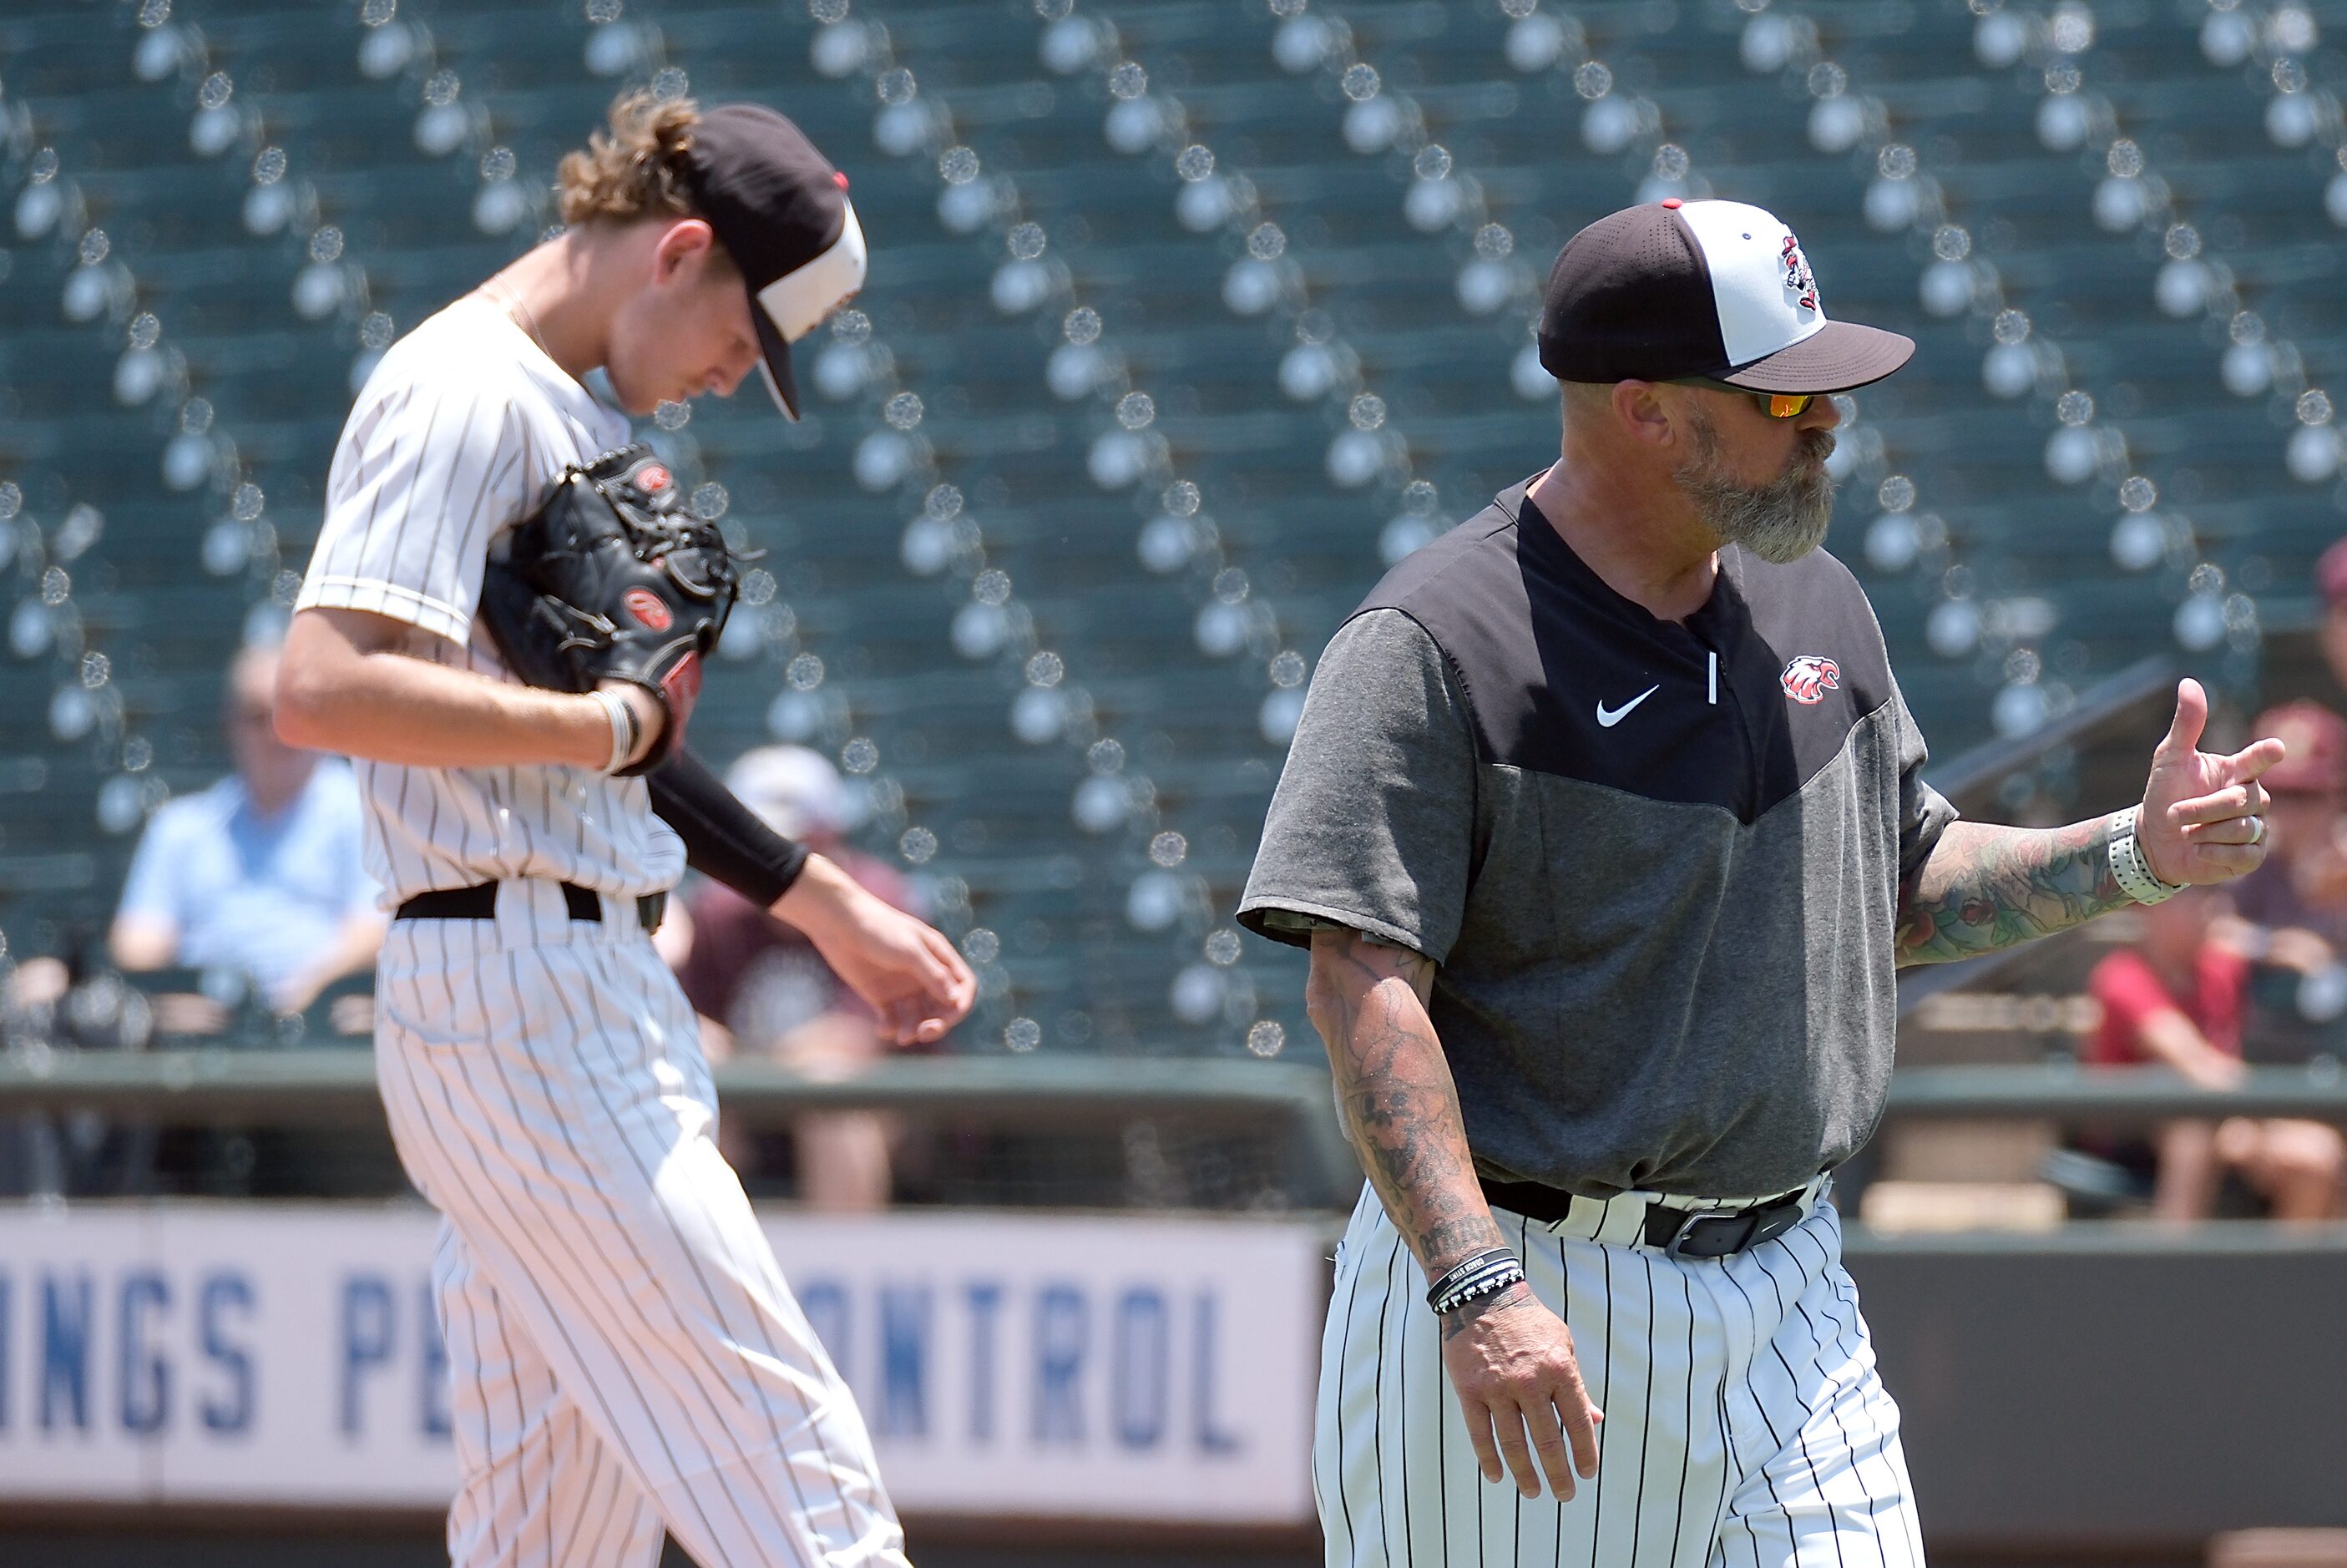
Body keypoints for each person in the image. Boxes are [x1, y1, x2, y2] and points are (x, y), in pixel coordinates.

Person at [1240, 198, 2280, 1564]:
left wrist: (2137, 855)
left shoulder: (1819, 608)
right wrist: (1471, 1280)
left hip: (1790, 1284)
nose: (1826, 423)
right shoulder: (1437, 641)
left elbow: (1897, 884)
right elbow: (1361, 984)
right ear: (1644, 411)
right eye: (1786, 396)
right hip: (1529, 1279)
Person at [274, 93, 974, 1568]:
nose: (737, 375)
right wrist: (597, 725)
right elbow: (324, 684)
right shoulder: (465, 386)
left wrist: (817, 904)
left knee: (550, 1531)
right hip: (521, 989)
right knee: (801, 1481)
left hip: (557, 978)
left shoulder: (563, 405)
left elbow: (629, 755)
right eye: (744, 336)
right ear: (682, 250)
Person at [663, 745, 921, 1211]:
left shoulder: (873, 904)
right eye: (759, 844)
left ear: (832, 837)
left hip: (897, 1115)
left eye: (794, 843)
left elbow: (856, 1038)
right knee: (694, 1075)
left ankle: (844, 1273)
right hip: (763, 1109)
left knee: (829, 1086)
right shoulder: (719, 912)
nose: (774, 862)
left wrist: (752, 1064)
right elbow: (692, 1022)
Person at [110, 643, 383, 1020]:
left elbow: (373, 931)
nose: (278, 733)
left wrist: (301, 992)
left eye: (292, 713)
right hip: (203, 1033)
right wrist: (174, 997)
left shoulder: (363, 810)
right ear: (230, 726)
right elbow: (137, 945)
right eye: (258, 717)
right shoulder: (182, 827)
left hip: (321, 1024)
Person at [2087, 886, 2344, 1220]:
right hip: (2132, 1133)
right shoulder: (2122, 975)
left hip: (2230, 1113)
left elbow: (2289, 949)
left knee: (2318, 1154)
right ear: (2149, 908)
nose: (2212, 905)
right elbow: (2193, 1064)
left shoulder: (2220, 967)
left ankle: (2284, 1272)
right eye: (2194, 893)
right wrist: (2249, 1123)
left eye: (2213, 893)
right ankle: (2173, 1267)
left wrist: (2267, 943)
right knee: (2194, 1127)